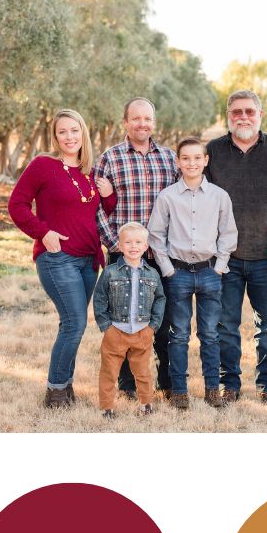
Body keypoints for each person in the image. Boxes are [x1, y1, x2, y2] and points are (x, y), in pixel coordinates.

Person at [8, 108, 116, 408]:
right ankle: (55, 391)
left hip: (87, 261)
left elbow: (98, 212)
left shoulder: (90, 172)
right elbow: (16, 205)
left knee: (71, 324)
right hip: (57, 258)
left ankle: (65, 387)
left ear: (83, 132)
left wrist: (107, 195)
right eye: (62, 132)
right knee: (75, 323)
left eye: (74, 130)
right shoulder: (43, 165)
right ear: (55, 137)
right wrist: (42, 232)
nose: (69, 137)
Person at [205, 89, 267, 402]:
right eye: (237, 112)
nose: (243, 117)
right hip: (223, 258)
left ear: (260, 115)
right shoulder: (213, 151)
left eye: (249, 111)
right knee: (225, 325)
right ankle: (229, 384)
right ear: (227, 116)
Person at [94, 98, 178, 398]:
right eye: (136, 118)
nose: (142, 123)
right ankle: (128, 387)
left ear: (154, 122)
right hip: (123, 256)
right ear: (125, 122)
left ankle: (167, 383)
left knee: (162, 320)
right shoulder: (110, 158)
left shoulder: (169, 159)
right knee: (124, 319)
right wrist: (114, 242)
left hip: (160, 255)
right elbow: (97, 207)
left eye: (147, 118)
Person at [147, 137, 238, 411]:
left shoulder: (219, 196)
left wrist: (220, 267)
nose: (192, 163)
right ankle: (179, 391)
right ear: (178, 162)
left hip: (210, 272)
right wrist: (168, 270)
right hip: (179, 273)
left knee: (210, 334)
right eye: (185, 158)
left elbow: (228, 233)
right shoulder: (168, 196)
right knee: (179, 335)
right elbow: (155, 235)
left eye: (197, 158)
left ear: (206, 160)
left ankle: (212, 389)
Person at [93, 223, 165, 419]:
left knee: (142, 372)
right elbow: (99, 297)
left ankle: (146, 404)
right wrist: (106, 326)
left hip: (142, 331)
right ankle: (107, 407)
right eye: (128, 242)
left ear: (145, 246)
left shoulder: (152, 274)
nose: (133, 246)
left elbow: (160, 298)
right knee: (109, 371)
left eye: (138, 242)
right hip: (116, 330)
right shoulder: (110, 272)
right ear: (120, 245)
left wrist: (153, 326)